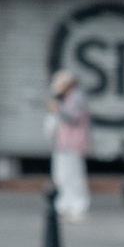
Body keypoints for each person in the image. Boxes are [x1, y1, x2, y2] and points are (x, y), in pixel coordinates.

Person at [47, 69, 92, 221]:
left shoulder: (77, 97)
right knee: (62, 176)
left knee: (73, 176)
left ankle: (78, 207)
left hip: (73, 143)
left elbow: (74, 118)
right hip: (63, 143)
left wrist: (58, 109)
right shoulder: (67, 98)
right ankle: (64, 205)